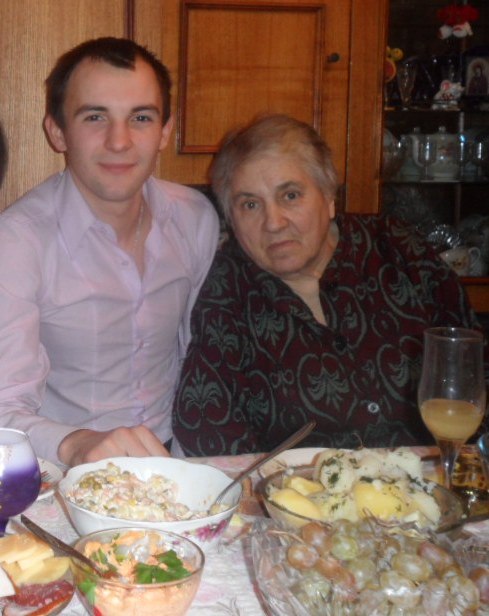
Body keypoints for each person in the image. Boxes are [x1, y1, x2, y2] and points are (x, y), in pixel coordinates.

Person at [173, 114, 487, 456]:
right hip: (296, 488)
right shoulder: (226, 290)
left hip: (433, 480)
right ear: (231, 220)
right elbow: (206, 423)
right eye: (250, 204)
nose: (273, 223)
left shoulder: (399, 250)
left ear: (328, 196)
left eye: (290, 195)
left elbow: (474, 366)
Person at [0, 37, 219, 466]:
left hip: (176, 458)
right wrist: (75, 444)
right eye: (95, 117)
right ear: (57, 131)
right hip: (65, 469)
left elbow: (200, 354)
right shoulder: (16, 244)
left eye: (141, 117)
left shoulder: (195, 218)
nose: (119, 141)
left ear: (165, 132)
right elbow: (4, 410)